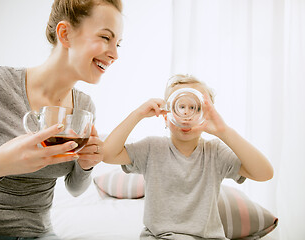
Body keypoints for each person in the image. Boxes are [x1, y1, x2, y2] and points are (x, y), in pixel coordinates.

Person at [0, 0, 123, 239]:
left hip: (35, 233)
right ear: (65, 33)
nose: (115, 54)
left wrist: (86, 165)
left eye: (118, 43)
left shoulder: (84, 107)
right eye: (105, 38)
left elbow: (75, 188)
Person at [103, 74, 274, 240]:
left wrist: (224, 131)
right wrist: (138, 113)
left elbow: (264, 173)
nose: (186, 115)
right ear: (166, 115)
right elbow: (108, 154)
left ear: (206, 115)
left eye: (194, 107)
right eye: (180, 107)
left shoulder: (215, 153)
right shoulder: (151, 148)